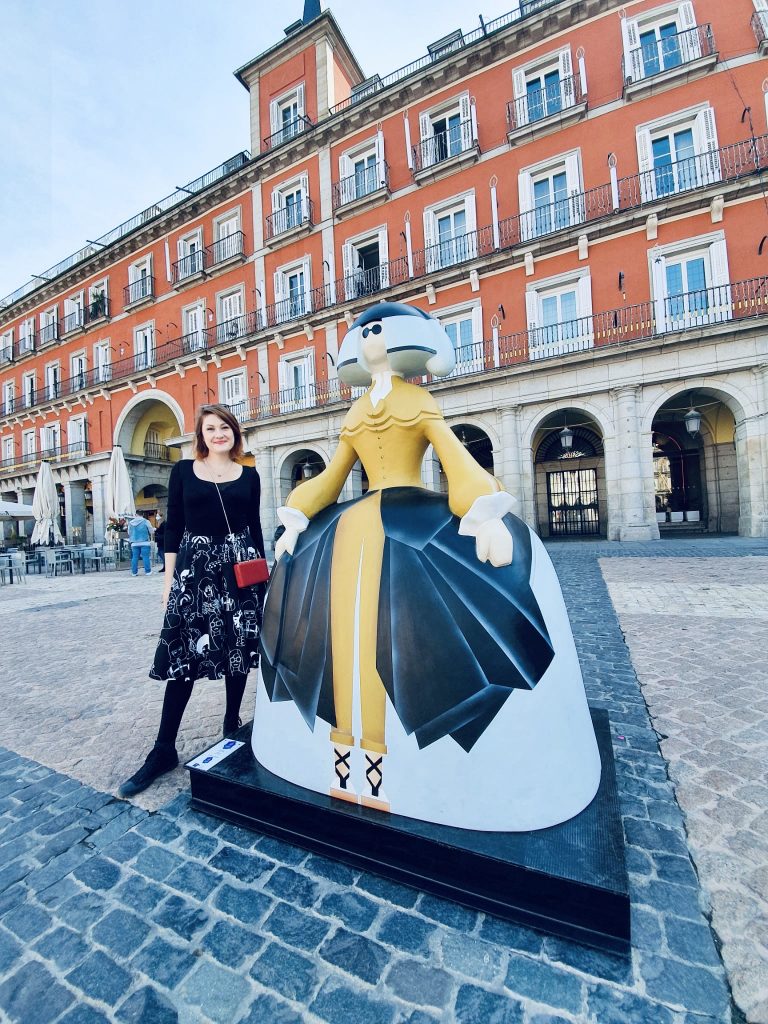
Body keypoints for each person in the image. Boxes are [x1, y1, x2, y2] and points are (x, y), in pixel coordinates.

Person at [256, 302, 600, 830]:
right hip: (353, 528)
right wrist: (298, 517)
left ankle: (381, 761)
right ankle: (346, 755)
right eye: (364, 333)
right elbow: (334, 475)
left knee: (399, 634)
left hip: (408, 517)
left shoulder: (417, 399)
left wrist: (482, 512)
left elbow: (452, 456)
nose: (371, 340)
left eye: (379, 333)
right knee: (337, 639)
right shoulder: (356, 412)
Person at [118, 404, 265, 798]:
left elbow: (254, 529)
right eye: (211, 428)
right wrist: (168, 583)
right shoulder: (183, 471)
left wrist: (261, 582)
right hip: (194, 570)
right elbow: (174, 528)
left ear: (235, 432)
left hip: (238, 572)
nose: (219, 434)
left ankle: (232, 724)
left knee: (236, 651)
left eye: (225, 427)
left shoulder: (250, 476)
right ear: (201, 436)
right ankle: (164, 748)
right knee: (183, 656)